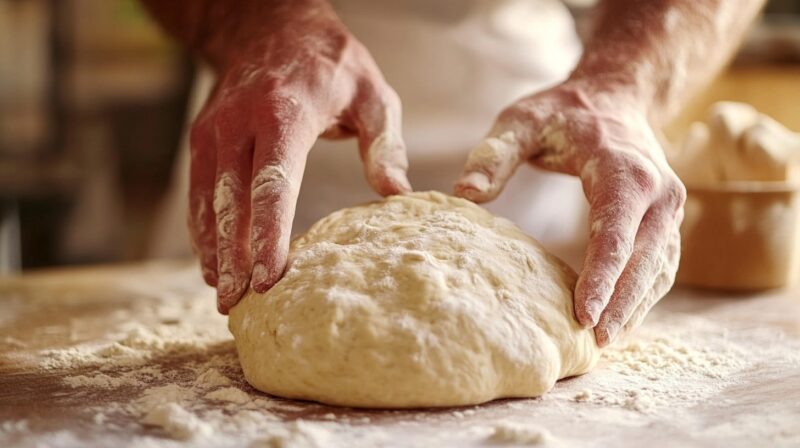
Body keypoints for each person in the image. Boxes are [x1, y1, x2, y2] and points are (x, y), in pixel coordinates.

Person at [139, 0, 764, 346]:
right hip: (271, 117)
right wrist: (255, 23)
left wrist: (628, 81)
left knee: (564, 315)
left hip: (537, 125)